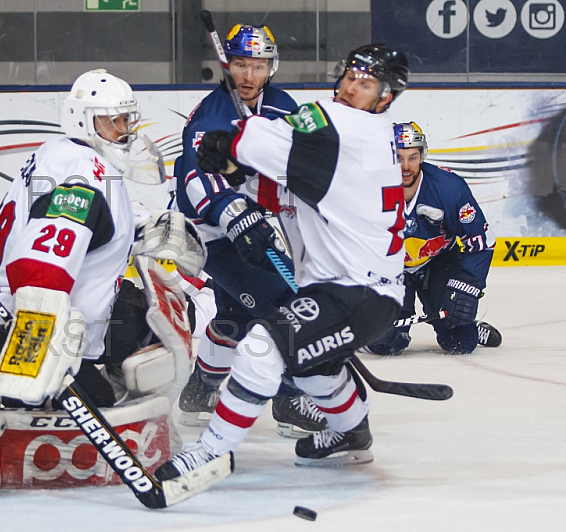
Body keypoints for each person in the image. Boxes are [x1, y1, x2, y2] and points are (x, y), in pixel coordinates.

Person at [0, 69, 202, 498]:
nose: (123, 130)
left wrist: (142, 227)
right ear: (84, 120)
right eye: (111, 120)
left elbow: (88, 227)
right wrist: (47, 344)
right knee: (108, 387)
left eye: (126, 119)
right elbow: (39, 268)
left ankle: (50, 388)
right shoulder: (84, 177)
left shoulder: (64, 154)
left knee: (144, 315)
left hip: (9, 311)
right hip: (17, 329)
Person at [155, 43, 411, 497]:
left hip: (353, 293)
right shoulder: (373, 138)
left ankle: (211, 452)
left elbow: (255, 140)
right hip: (369, 294)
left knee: (262, 345)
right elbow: (293, 190)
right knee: (314, 367)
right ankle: (351, 432)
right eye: (351, 75)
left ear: (385, 97)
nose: (352, 87)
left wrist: (224, 144)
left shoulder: (338, 123)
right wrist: (238, 173)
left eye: (366, 83)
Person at [171, 23, 325, 436]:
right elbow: (193, 182)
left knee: (236, 315)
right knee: (286, 307)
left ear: (270, 67)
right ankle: (291, 400)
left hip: (262, 226)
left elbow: (304, 161)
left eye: (258, 66)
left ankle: (200, 390)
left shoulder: (282, 105)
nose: (248, 76)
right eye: (240, 64)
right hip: (213, 233)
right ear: (228, 67)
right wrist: (234, 214)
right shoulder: (212, 114)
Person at [363, 122, 501, 356]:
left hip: (438, 264)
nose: (406, 167)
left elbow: (480, 240)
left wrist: (466, 286)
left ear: (422, 156)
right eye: (398, 158)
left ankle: (472, 329)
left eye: (413, 157)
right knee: (384, 344)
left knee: (460, 343)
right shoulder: (365, 190)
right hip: (388, 270)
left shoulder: (448, 188)